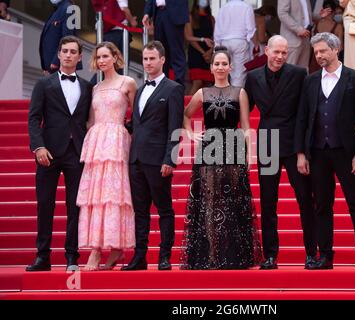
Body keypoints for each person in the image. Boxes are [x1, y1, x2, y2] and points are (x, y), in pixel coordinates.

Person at [295, 32, 355, 270]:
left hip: (346, 151)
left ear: (336, 49)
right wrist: (301, 153)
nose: (319, 55)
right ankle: (325, 256)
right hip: (318, 151)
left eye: (323, 51)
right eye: (316, 52)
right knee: (321, 205)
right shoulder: (310, 81)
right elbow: (302, 118)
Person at [180, 46, 262, 270]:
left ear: (230, 67)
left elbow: (245, 126)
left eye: (224, 63)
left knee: (233, 200)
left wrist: (250, 154)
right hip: (209, 147)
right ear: (211, 67)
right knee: (209, 201)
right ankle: (212, 254)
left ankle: (234, 254)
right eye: (217, 64)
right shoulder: (202, 93)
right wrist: (190, 133)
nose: (220, 67)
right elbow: (186, 115)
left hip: (234, 146)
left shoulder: (240, 93)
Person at [245, 35, 317, 270]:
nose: (279, 57)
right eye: (276, 52)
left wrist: (302, 152)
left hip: (293, 142)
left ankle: (311, 253)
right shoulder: (253, 77)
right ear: (267, 51)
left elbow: (304, 114)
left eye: (284, 53)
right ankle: (270, 256)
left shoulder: (298, 74)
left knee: (305, 200)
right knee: (268, 203)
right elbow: (243, 109)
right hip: (267, 142)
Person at [26, 36, 93, 271]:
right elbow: (34, 118)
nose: (68, 55)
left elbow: (88, 120)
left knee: (74, 207)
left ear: (79, 56)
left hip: (76, 152)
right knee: (45, 204)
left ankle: (71, 257)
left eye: (73, 52)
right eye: (64, 51)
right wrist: (38, 146)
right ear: (58, 53)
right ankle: (42, 256)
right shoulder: (43, 84)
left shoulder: (87, 86)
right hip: (48, 153)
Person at [121, 41, 184, 271]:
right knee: (140, 211)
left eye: (152, 59)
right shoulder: (139, 89)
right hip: (136, 159)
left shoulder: (173, 89)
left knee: (164, 209)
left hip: (158, 161)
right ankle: (140, 257)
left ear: (162, 60)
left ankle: (164, 256)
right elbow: (138, 123)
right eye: (145, 59)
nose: (147, 63)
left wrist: (170, 159)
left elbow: (175, 128)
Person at [77, 42, 137, 271]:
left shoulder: (127, 82)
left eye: (105, 56)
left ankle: (110, 248)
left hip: (117, 140)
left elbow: (138, 115)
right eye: (98, 57)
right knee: (97, 194)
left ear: (115, 57)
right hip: (96, 141)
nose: (101, 60)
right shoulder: (96, 87)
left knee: (113, 194)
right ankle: (100, 248)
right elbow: (91, 120)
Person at [142, 0, 189, 86]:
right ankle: (162, 85)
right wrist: (147, 13)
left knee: (176, 52)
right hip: (158, 13)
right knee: (160, 52)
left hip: (175, 12)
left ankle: (178, 86)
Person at [214, 0, 258, 87]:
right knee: (239, 75)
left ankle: (224, 98)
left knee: (223, 72)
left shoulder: (223, 8)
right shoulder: (247, 7)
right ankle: (236, 98)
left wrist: (216, 46)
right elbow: (251, 30)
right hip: (240, 42)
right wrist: (256, 46)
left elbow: (217, 30)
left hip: (224, 42)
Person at [40, 0, 80, 75]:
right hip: (51, 67)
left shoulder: (69, 8)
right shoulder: (57, 9)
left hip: (59, 65)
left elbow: (68, 39)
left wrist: (56, 61)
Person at [184, 0, 215, 95]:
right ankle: (186, 107)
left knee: (206, 85)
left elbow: (214, 37)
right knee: (197, 82)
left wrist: (210, 52)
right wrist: (203, 52)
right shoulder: (190, 16)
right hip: (195, 53)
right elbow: (188, 37)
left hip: (208, 55)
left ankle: (199, 108)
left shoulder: (211, 18)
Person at [309, 0, 344, 74]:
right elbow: (340, 47)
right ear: (334, 11)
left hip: (315, 60)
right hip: (330, 61)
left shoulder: (317, 23)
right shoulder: (338, 26)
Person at [278, 0, 313, 69]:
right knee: (289, 70)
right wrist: (298, 29)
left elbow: (305, 15)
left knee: (303, 70)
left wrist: (319, 16)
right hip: (292, 39)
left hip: (306, 38)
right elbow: (282, 13)